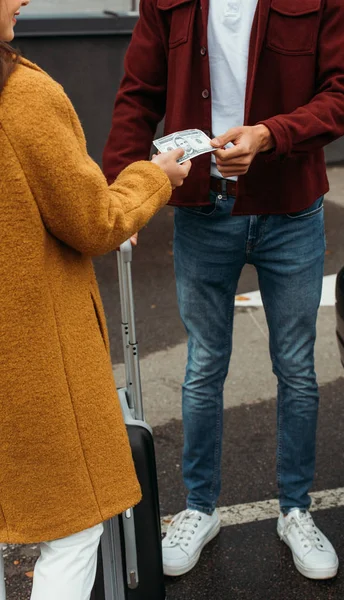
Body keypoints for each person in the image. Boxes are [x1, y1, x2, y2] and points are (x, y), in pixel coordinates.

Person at [103, 0, 344, 581]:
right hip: (201, 210)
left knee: (296, 367)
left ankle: (295, 510)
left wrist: (271, 136)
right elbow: (138, 93)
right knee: (203, 368)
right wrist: (120, 195)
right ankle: (200, 509)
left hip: (292, 209)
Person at [0, 1, 191, 598]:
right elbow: (95, 221)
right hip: (27, 352)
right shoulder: (22, 96)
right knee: (75, 528)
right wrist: (155, 174)